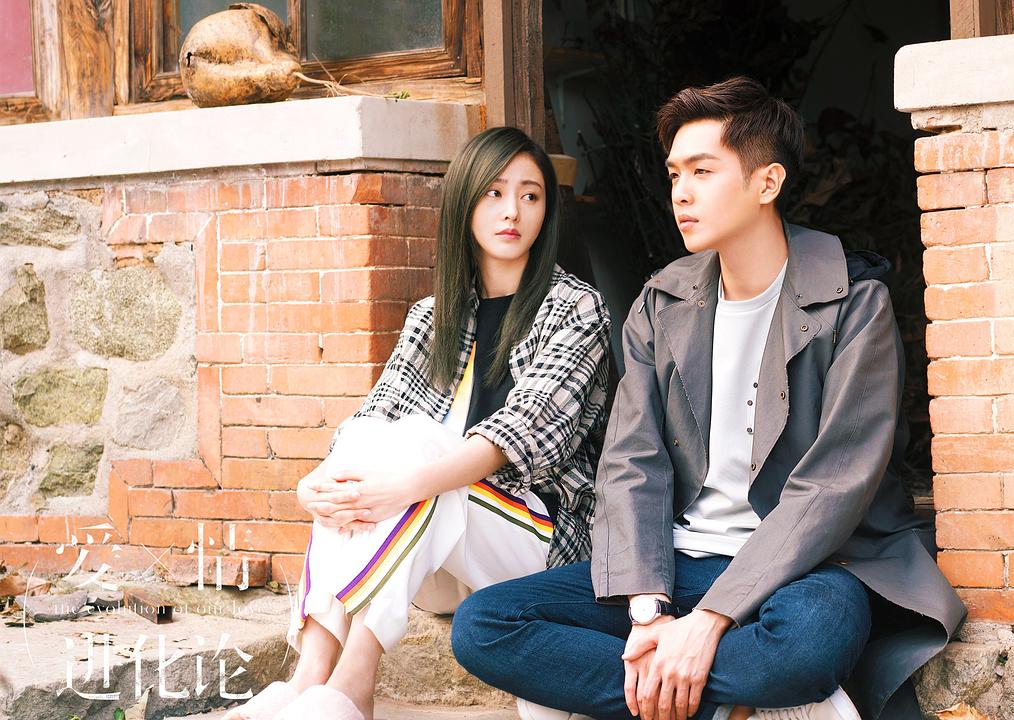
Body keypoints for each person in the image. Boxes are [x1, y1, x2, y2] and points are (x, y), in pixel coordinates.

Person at [451, 76, 966, 720]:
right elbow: (632, 462)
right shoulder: (662, 301)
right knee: (484, 624)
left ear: (767, 183)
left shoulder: (854, 301)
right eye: (674, 174)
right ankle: (718, 701)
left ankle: (674, 688)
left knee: (807, 645)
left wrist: (711, 621)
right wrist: (649, 612)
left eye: (702, 171)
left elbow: (834, 485)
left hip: (808, 567)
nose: (681, 193)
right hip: (678, 561)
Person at [222, 126, 611, 720]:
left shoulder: (576, 308)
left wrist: (402, 487)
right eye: (494, 192)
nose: (512, 211)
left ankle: (352, 680)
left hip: (540, 544)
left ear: (546, 212)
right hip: (433, 551)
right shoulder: (433, 316)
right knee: (377, 444)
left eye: (530, 195)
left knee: (422, 451)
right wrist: (314, 486)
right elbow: (371, 420)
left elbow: (521, 434)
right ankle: (310, 677)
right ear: (464, 203)